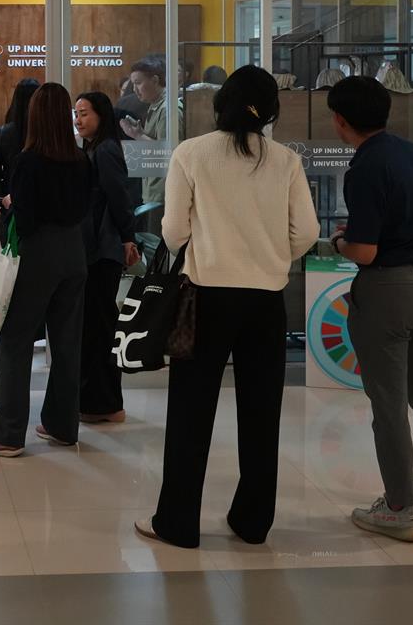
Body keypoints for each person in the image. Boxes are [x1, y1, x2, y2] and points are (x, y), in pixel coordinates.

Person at [136, 66, 319, 549]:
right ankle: (252, 522)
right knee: (262, 413)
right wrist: (272, 256)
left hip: (206, 298)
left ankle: (177, 522)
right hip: (266, 301)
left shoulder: (191, 153)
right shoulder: (285, 161)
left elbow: (174, 232)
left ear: (221, 105)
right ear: (271, 111)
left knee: (190, 412)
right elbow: (307, 232)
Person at [327, 75, 413, 544]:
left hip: (389, 289)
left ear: (340, 120)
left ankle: (399, 509)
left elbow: (364, 251)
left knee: (387, 402)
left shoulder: (365, 167)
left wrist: (339, 241)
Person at [0, 83, 92, 457]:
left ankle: (7, 433)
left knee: (16, 339)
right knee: (67, 342)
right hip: (74, 253)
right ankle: (62, 425)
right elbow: (85, 206)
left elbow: (26, 217)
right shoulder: (81, 159)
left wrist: (13, 201)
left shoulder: (29, 160)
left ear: (34, 116)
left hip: (38, 254)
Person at [73, 91, 138, 425]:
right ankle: (102, 402)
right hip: (96, 249)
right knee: (97, 326)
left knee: (99, 328)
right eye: (76, 114)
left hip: (103, 251)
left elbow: (118, 196)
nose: (78, 120)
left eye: (84, 113)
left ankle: (106, 405)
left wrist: (128, 237)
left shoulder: (106, 149)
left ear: (101, 115)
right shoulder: (94, 148)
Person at [0, 78, 39, 246]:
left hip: (11, 207)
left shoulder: (2, 133)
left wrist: (3, 199)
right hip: (41, 209)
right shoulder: (45, 133)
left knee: (12, 256)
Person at [121, 58, 170, 234]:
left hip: (163, 195)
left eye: (138, 83)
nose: (134, 89)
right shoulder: (156, 106)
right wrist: (139, 134)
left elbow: (169, 152)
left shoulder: (167, 109)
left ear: (155, 80)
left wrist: (137, 136)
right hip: (154, 192)